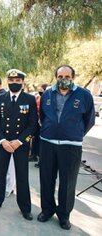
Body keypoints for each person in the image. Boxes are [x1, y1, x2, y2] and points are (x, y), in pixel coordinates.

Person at [38, 65, 95, 230]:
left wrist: (74, 133)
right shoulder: (47, 93)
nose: (64, 79)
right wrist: (50, 129)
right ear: (56, 77)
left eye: (67, 76)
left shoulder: (84, 95)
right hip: (47, 143)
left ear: (73, 77)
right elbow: (42, 115)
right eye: (60, 76)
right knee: (46, 178)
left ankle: (64, 215)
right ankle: (47, 210)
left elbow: (89, 120)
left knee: (68, 182)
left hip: (71, 147)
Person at [0, 69, 38, 221]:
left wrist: (19, 141)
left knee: (22, 176)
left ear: (23, 82)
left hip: (20, 144)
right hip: (3, 143)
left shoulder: (29, 99)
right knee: (0, 174)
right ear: (7, 81)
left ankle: (25, 208)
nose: (14, 83)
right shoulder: (0, 98)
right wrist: (2, 140)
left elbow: (33, 124)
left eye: (18, 81)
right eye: (11, 81)